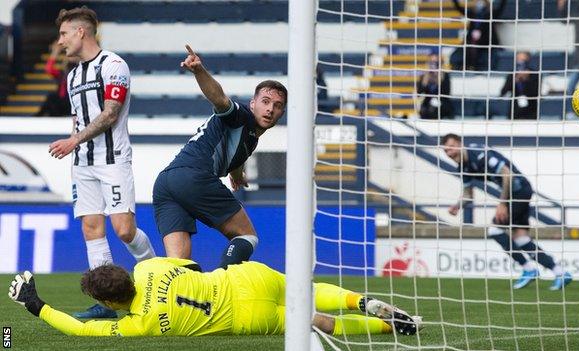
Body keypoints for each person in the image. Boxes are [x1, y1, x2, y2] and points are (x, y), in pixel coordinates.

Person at [48, 6, 155, 318]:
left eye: (64, 34)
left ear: (81, 32)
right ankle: (107, 303)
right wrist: (73, 145)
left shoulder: (113, 65)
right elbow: (77, 118)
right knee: (92, 229)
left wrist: (73, 141)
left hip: (113, 160)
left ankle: (156, 276)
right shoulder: (73, 75)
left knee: (124, 230)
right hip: (83, 163)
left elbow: (110, 113)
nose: (60, 41)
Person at [8, 257, 423, 336]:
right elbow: (191, 269)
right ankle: (361, 300)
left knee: (319, 324)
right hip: (244, 279)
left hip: (243, 318)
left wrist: (35, 304)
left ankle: (387, 327)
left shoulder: (139, 325)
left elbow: (79, 331)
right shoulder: (147, 268)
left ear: (113, 303)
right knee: (311, 292)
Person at [152, 45, 287, 269]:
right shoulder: (241, 116)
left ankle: (177, 300)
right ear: (253, 103)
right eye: (265, 101)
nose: (270, 109)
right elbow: (220, 99)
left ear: (282, 113)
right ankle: (221, 284)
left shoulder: (250, 136)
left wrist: (237, 173)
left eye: (277, 105)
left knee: (178, 265)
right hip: (195, 177)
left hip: (166, 182)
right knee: (247, 237)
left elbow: (238, 151)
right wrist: (199, 71)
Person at [441, 133, 572, 290]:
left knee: (495, 230)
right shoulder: (463, 166)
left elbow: (507, 174)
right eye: (446, 151)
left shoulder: (479, 154)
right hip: (518, 192)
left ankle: (529, 269)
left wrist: (502, 203)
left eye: (451, 148)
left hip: (518, 190)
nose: (450, 153)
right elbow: (468, 195)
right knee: (521, 238)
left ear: (460, 143)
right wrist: (457, 206)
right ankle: (561, 272)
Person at [450, 0, 507, 71]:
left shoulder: (490, 15)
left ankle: (476, 68)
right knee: (466, 48)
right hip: (472, 43)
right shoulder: (472, 14)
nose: (479, 4)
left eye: (482, 2)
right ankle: (468, 67)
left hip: (486, 43)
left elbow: (501, 9)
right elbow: (459, 9)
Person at [35, 41, 77, 117]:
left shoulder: (80, 70)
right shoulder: (62, 73)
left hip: (72, 102)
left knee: (52, 97)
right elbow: (49, 69)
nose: (71, 57)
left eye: (74, 55)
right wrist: (55, 53)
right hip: (62, 102)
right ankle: (38, 117)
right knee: (52, 97)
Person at [500, 52, 540, 120]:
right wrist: (515, 79)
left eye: (524, 60)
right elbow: (503, 92)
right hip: (514, 112)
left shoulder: (535, 74)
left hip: (530, 112)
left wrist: (527, 79)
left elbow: (536, 92)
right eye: (519, 59)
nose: (521, 62)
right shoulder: (512, 73)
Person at [417, 54, 453, 119]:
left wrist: (439, 79)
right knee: (425, 110)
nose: (433, 65)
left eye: (436, 63)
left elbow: (447, 93)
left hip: (442, 106)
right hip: (427, 107)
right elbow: (418, 93)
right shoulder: (424, 76)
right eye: (431, 62)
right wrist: (425, 80)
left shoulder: (445, 76)